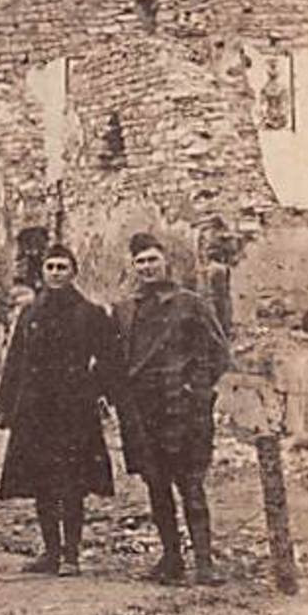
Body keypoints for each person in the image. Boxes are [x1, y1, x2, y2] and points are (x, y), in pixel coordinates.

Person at [112, 232, 232, 586]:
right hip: (143, 412)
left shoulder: (190, 303)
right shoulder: (125, 309)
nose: (147, 267)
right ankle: (171, 559)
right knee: (156, 486)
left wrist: (194, 388)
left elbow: (219, 354)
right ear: (133, 267)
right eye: (140, 262)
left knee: (191, 484)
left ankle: (205, 563)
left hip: (183, 409)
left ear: (166, 261)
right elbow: (118, 359)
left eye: (152, 259)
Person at [0, 244, 117, 576]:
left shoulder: (90, 314)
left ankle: (72, 556)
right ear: (43, 272)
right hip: (36, 410)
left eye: (62, 267)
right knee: (42, 482)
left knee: (72, 482)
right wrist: (6, 405)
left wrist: (96, 390)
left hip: (74, 410)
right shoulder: (30, 314)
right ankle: (50, 552)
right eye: (50, 267)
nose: (56, 273)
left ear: (73, 272)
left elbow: (109, 360)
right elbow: (15, 362)